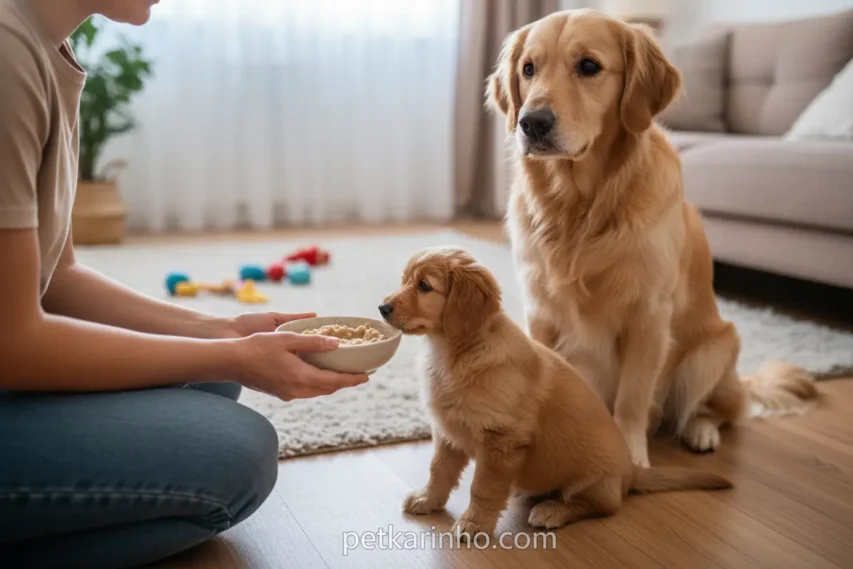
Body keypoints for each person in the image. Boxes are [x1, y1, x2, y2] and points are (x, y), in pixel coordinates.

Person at [0, 1, 369, 566]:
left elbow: (58, 277)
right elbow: (13, 343)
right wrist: (235, 356)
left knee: (211, 380)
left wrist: (221, 331)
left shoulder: (44, 45)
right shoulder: (8, 54)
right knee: (238, 457)